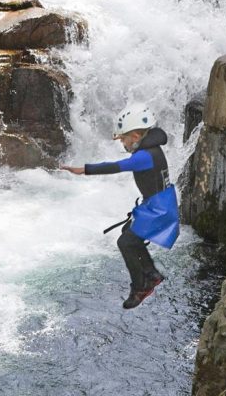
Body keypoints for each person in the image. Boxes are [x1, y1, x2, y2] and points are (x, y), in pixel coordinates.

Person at [61, 104, 180, 309]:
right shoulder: (153, 149)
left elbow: (116, 166)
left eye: (123, 139)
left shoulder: (144, 157)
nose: (122, 143)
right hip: (160, 203)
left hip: (158, 209)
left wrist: (84, 170)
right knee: (129, 233)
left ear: (135, 136)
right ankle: (151, 273)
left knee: (125, 242)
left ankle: (140, 287)